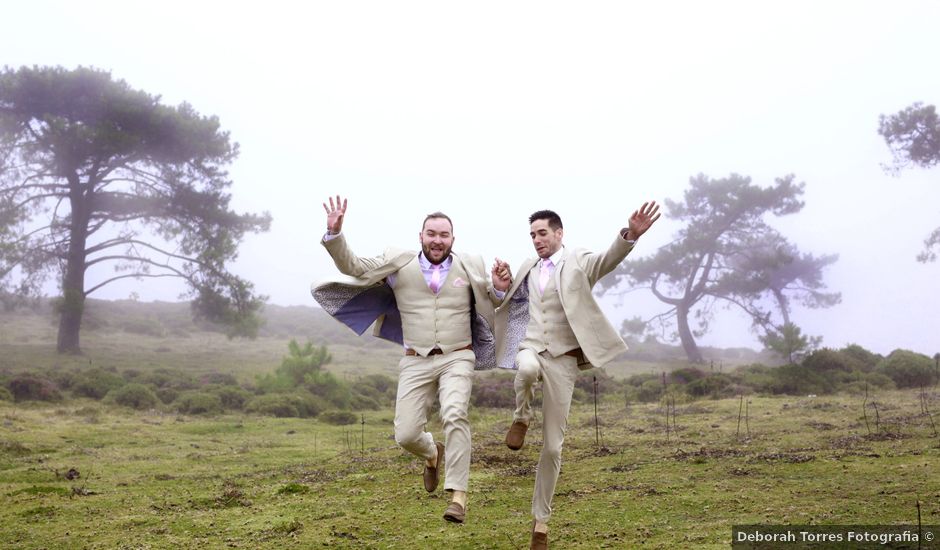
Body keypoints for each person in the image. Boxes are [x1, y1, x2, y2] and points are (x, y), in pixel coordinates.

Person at [311, 195, 511, 524]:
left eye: (444, 235)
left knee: (455, 414)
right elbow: (355, 267)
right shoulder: (398, 262)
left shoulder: (470, 263)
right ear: (421, 236)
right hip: (415, 358)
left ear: (452, 239)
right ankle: (433, 454)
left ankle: (458, 496)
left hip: (458, 356)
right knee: (405, 434)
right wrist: (335, 235)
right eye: (431, 233)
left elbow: (491, 298)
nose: (437, 240)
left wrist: (500, 289)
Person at [495, 202, 660, 549]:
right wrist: (498, 286)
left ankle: (540, 523)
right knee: (523, 368)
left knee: (553, 448)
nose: (537, 240)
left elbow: (606, 260)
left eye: (542, 233)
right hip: (532, 348)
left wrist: (630, 235)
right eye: (532, 235)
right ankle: (521, 417)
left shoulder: (578, 261)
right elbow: (504, 301)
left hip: (564, 360)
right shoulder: (527, 267)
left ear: (559, 233)